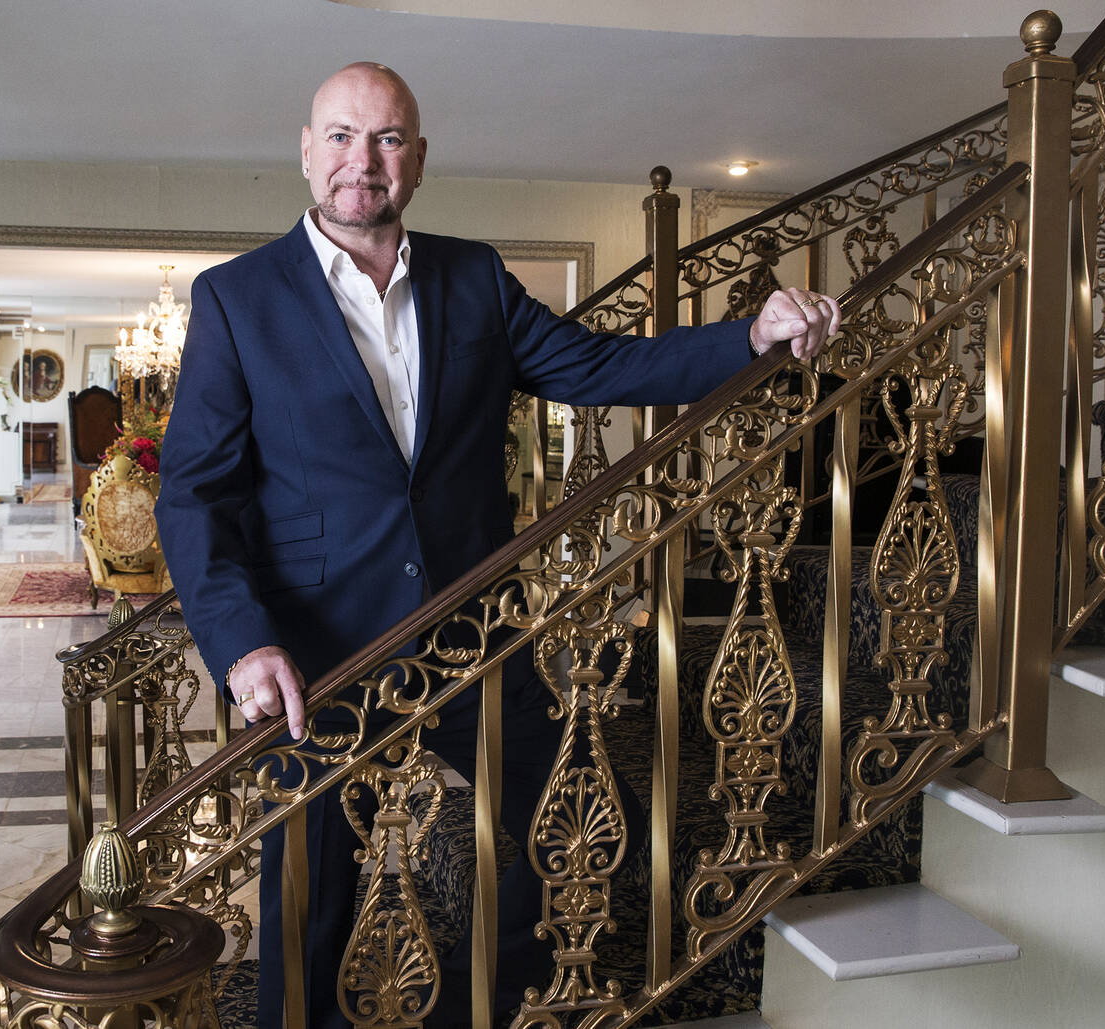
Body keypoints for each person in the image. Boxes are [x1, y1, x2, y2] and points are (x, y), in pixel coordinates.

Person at [155, 63, 839, 1029]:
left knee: (561, 824)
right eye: (342, 137)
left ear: (419, 158)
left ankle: (494, 1003)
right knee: (308, 905)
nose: (364, 162)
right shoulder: (237, 298)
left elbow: (598, 364)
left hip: (474, 633)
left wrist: (751, 337)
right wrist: (241, 641)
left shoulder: (470, 273)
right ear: (306, 152)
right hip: (320, 655)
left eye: (387, 139)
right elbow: (194, 492)